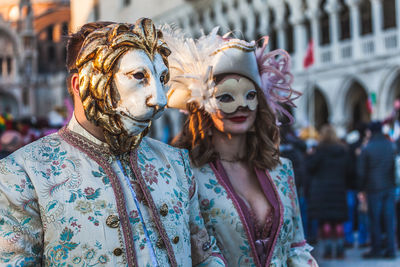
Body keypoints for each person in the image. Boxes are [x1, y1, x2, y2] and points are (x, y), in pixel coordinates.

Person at [0, 19, 225, 266]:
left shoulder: (175, 163)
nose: (159, 101)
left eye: (161, 79)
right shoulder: (24, 173)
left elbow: (203, 254)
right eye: (138, 76)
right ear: (80, 85)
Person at [164, 27, 318, 266]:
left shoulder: (282, 170)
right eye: (226, 97)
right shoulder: (186, 175)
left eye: (250, 95)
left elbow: (296, 247)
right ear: (203, 104)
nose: (242, 105)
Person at [306, 124, 351, 259]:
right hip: (338, 189)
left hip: (322, 191)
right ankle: (340, 250)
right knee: (338, 221)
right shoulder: (343, 151)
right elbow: (349, 171)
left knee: (325, 222)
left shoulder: (319, 151)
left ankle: (328, 250)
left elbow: (310, 168)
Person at [358, 121, 397, 259]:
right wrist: (393, 184)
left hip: (374, 189)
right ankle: (391, 250)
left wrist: (361, 189)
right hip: (389, 187)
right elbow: (393, 167)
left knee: (374, 220)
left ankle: (376, 249)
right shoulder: (390, 145)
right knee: (389, 219)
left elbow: (361, 172)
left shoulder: (368, 148)